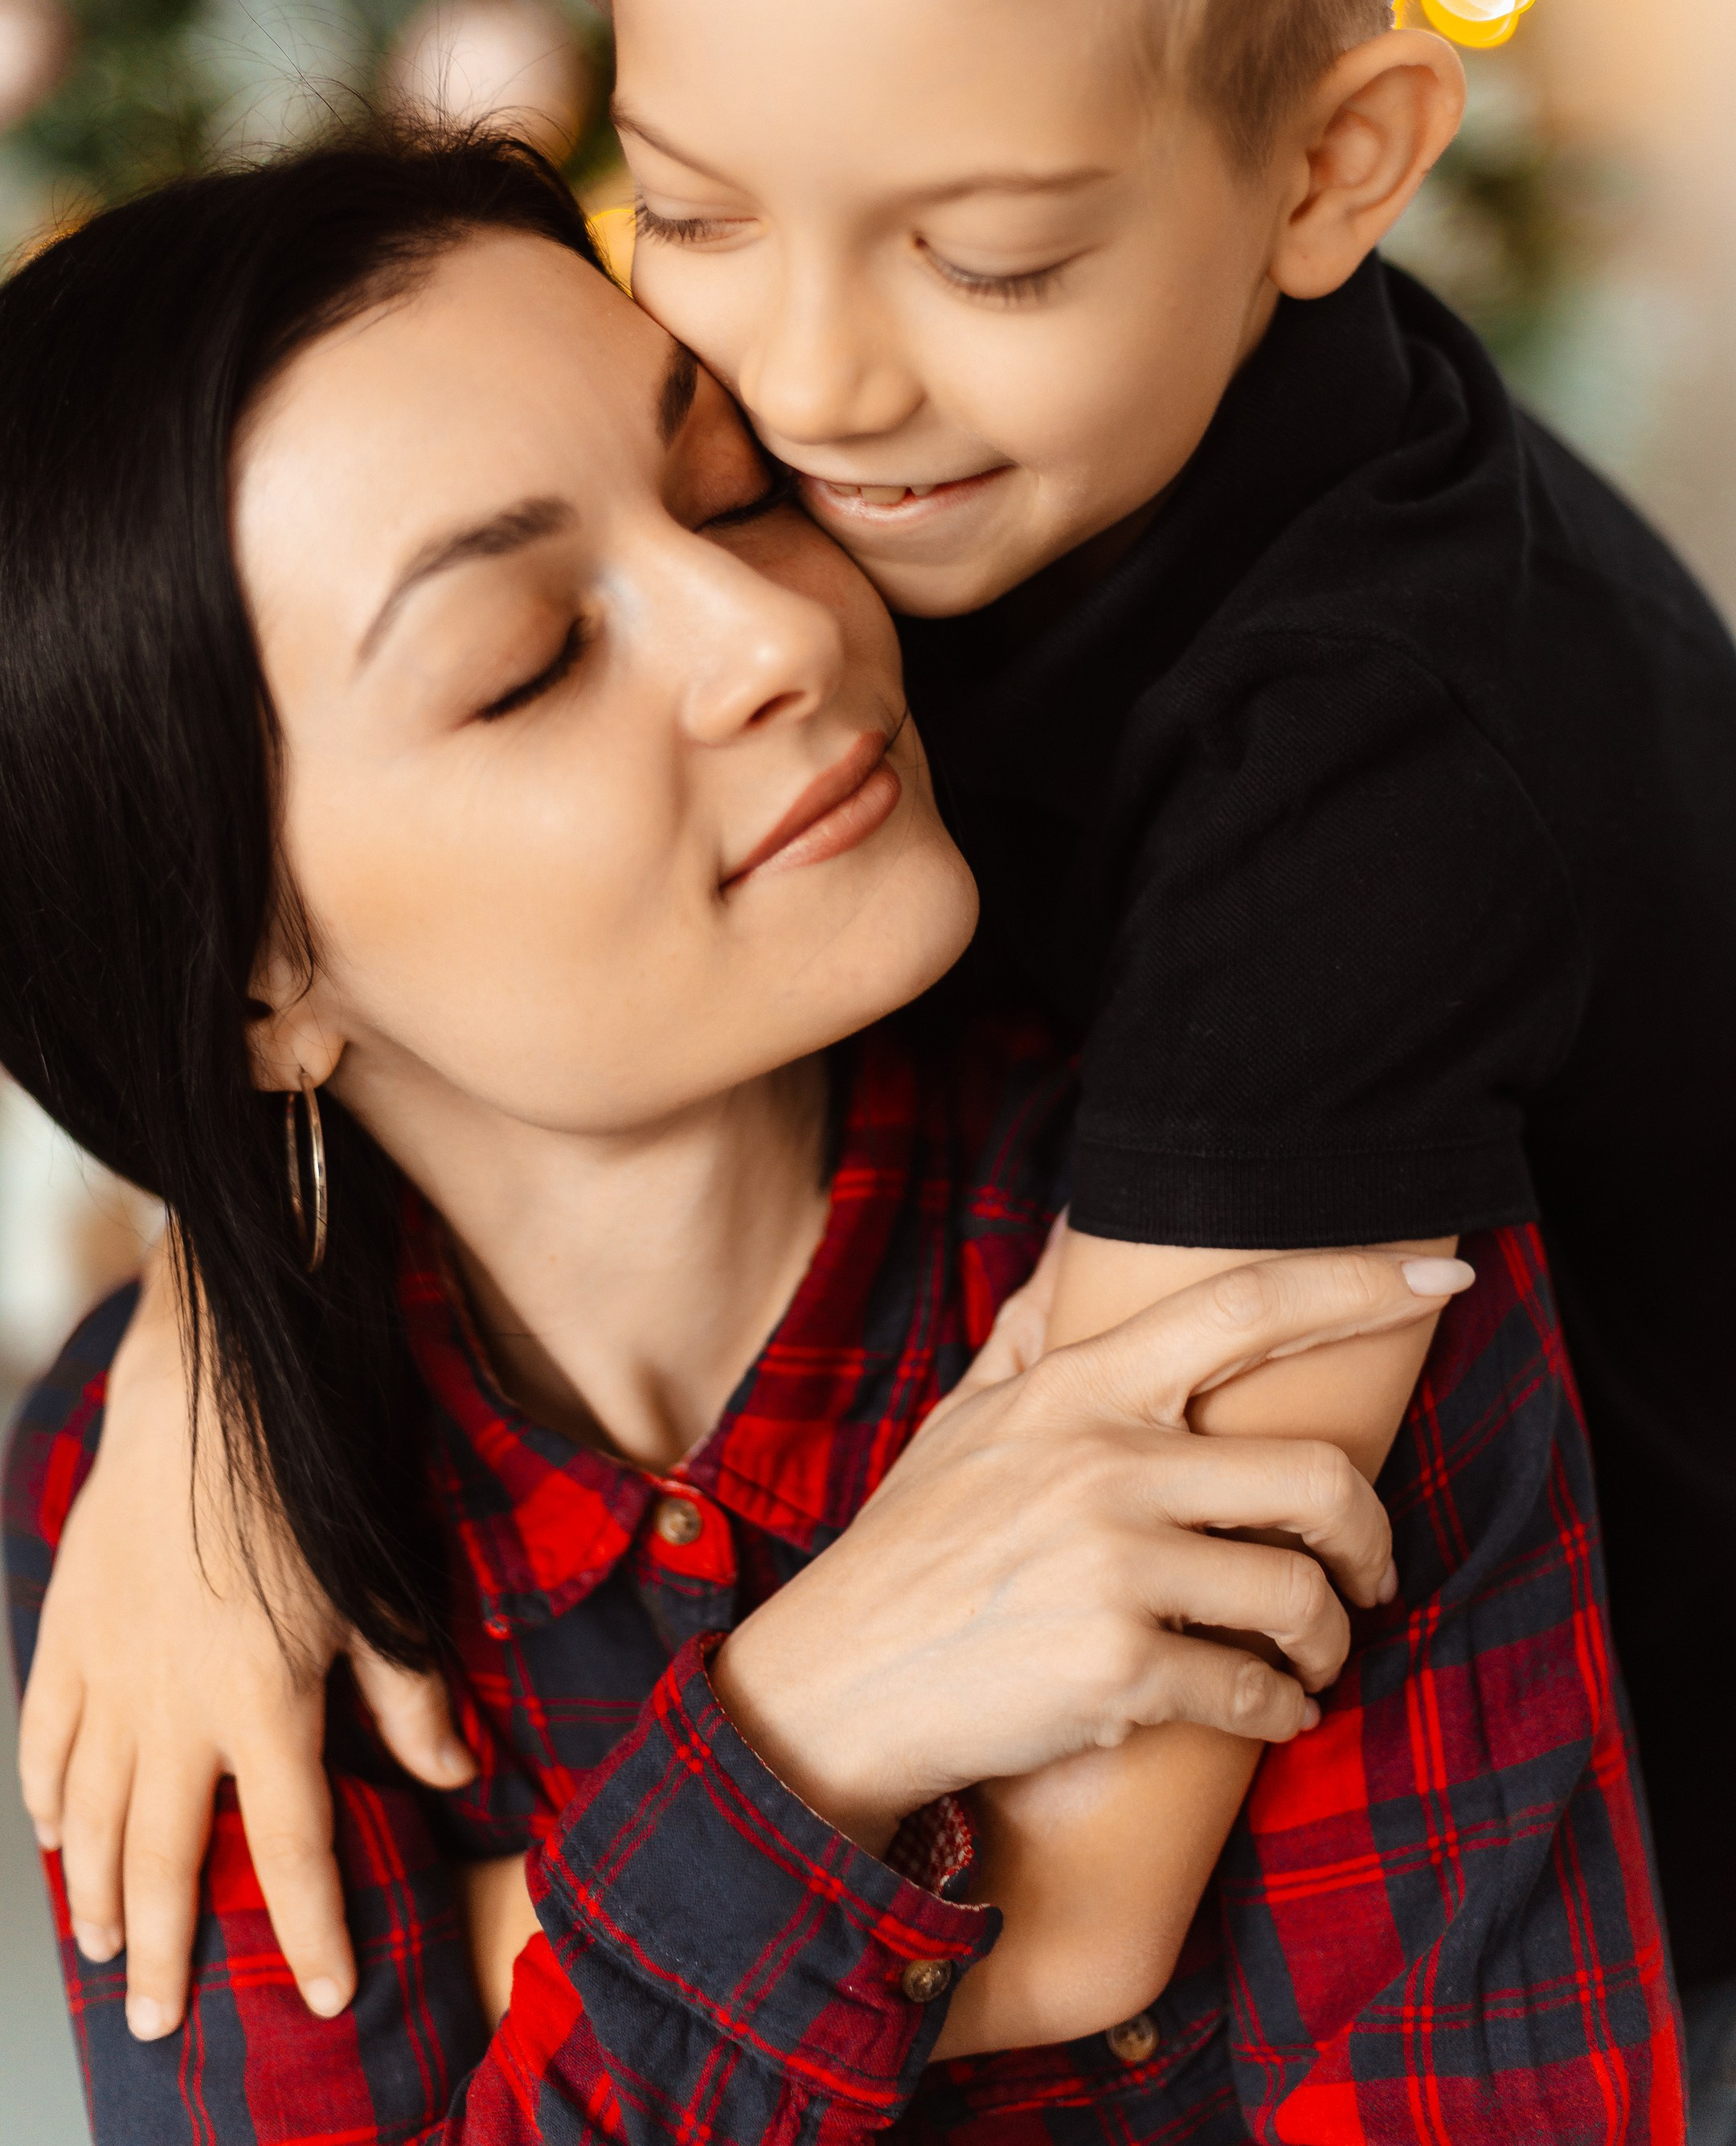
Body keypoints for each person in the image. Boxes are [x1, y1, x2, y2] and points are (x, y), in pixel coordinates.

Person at [0, 128, 1676, 2141]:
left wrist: (539, 1955)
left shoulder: (1284, 1221)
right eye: (529, 661)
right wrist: (811, 1723)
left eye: (725, 487)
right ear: (259, 983)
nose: (771, 631)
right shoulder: (159, 1495)